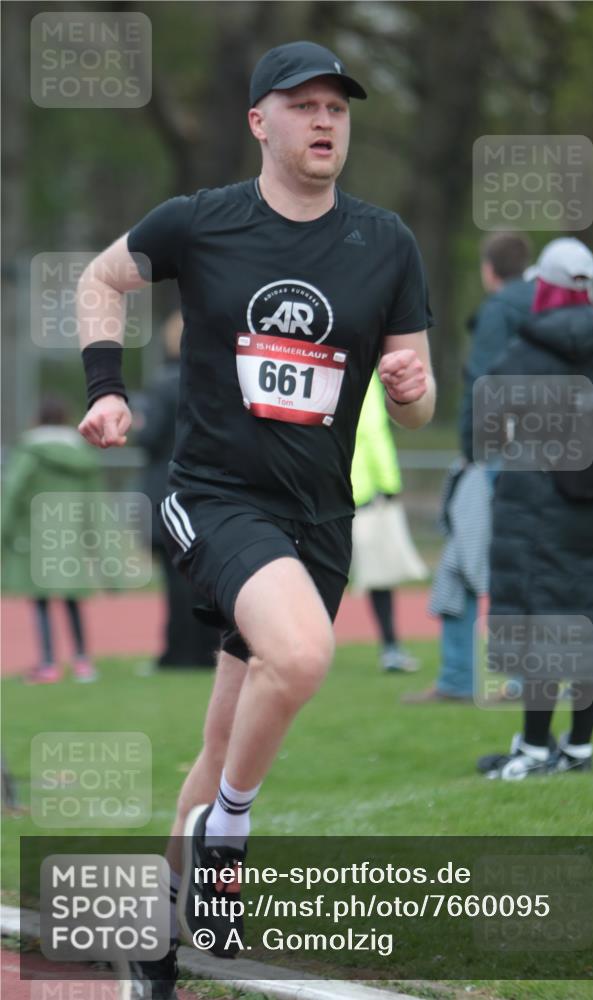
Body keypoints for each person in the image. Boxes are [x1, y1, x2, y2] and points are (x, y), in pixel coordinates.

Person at [76, 40, 435, 998]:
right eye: (303, 104)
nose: (324, 121)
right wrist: (106, 389)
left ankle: (151, 938)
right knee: (305, 655)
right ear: (258, 122)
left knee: (221, 740)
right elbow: (99, 280)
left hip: (320, 519)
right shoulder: (200, 222)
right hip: (214, 496)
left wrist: (412, 389)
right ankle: (229, 833)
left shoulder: (386, 242)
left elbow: (418, 403)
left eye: (337, 108)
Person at [478, 237, 593, 780]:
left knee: (541, 624)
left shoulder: (531, 345)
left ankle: (536, 750)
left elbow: (487, 412)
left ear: (546, 287)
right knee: (589, 624)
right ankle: (579, 749)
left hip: (539, 505)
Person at [404, 232, 533, 704]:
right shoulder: (552, 305)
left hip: (496, 456)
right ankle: (569, 678)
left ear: (489, 270)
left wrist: (472, 450)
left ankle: (460, 678)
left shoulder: (499, 311)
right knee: (537, 564)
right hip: (544, 451)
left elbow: (484, 383)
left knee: (460, 565)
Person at [134, 310, 220, 669]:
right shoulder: (219, 381)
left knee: (176, 580)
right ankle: (210, 650)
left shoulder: (164, 384)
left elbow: (149, 438)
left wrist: (139, 425)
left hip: (168, 490)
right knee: (208, 578)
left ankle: (178, 654)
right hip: (211, 490)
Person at [1, 396, 100, 683]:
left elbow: (12, 492)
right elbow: (94, 502)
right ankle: (82, 662)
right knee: (72, 599)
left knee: (41, 599)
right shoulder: (83, 454)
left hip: (36, 535)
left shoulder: (29, 452)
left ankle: (48, 663)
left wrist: (4, 530)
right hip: (71, 535)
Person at [350, 370, 422, 673]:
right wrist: (390, 484)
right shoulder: (364, 374)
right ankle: (390, 647)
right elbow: (373, 431)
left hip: (324, 489)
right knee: (380, 577)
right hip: (363, 494)